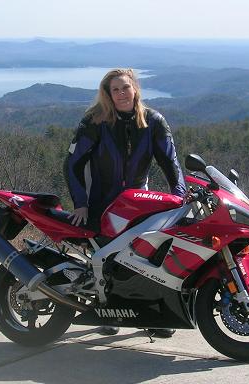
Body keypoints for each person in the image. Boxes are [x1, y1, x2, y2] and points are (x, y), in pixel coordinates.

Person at [64, 68, 186, 338]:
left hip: (138, 202)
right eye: (114, 89)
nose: (120, 93)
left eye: (125, 88)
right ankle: (108, 310)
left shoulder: (154, 121)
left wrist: (179, 197)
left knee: (148, 256)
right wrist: (80, 203)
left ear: (135, 89)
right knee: (108, 259)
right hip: (100, 202)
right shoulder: (94, 121)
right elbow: (72, 164)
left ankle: (154, 315)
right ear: (107, 94)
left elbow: (171, 163)